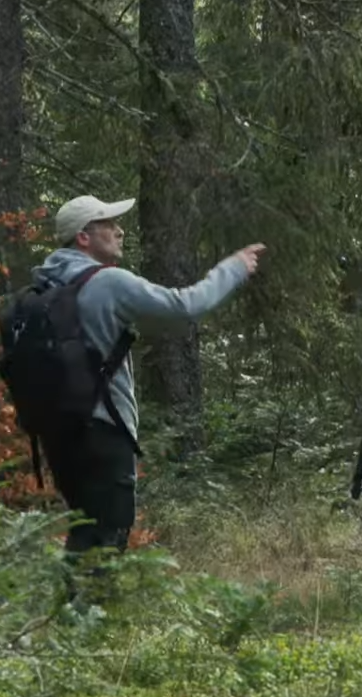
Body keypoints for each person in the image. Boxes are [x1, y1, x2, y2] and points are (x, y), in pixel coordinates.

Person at [33, 194, 264, 555]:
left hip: (61, 436)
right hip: (104, 433)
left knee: (85, 535)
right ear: (84, 237)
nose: (119, 230)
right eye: (109, 224)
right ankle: (87, 611)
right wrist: (232, 269)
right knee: (107, 540)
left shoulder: (46, 286)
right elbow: (184, 305)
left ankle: (72, 610)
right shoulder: (107, 282)